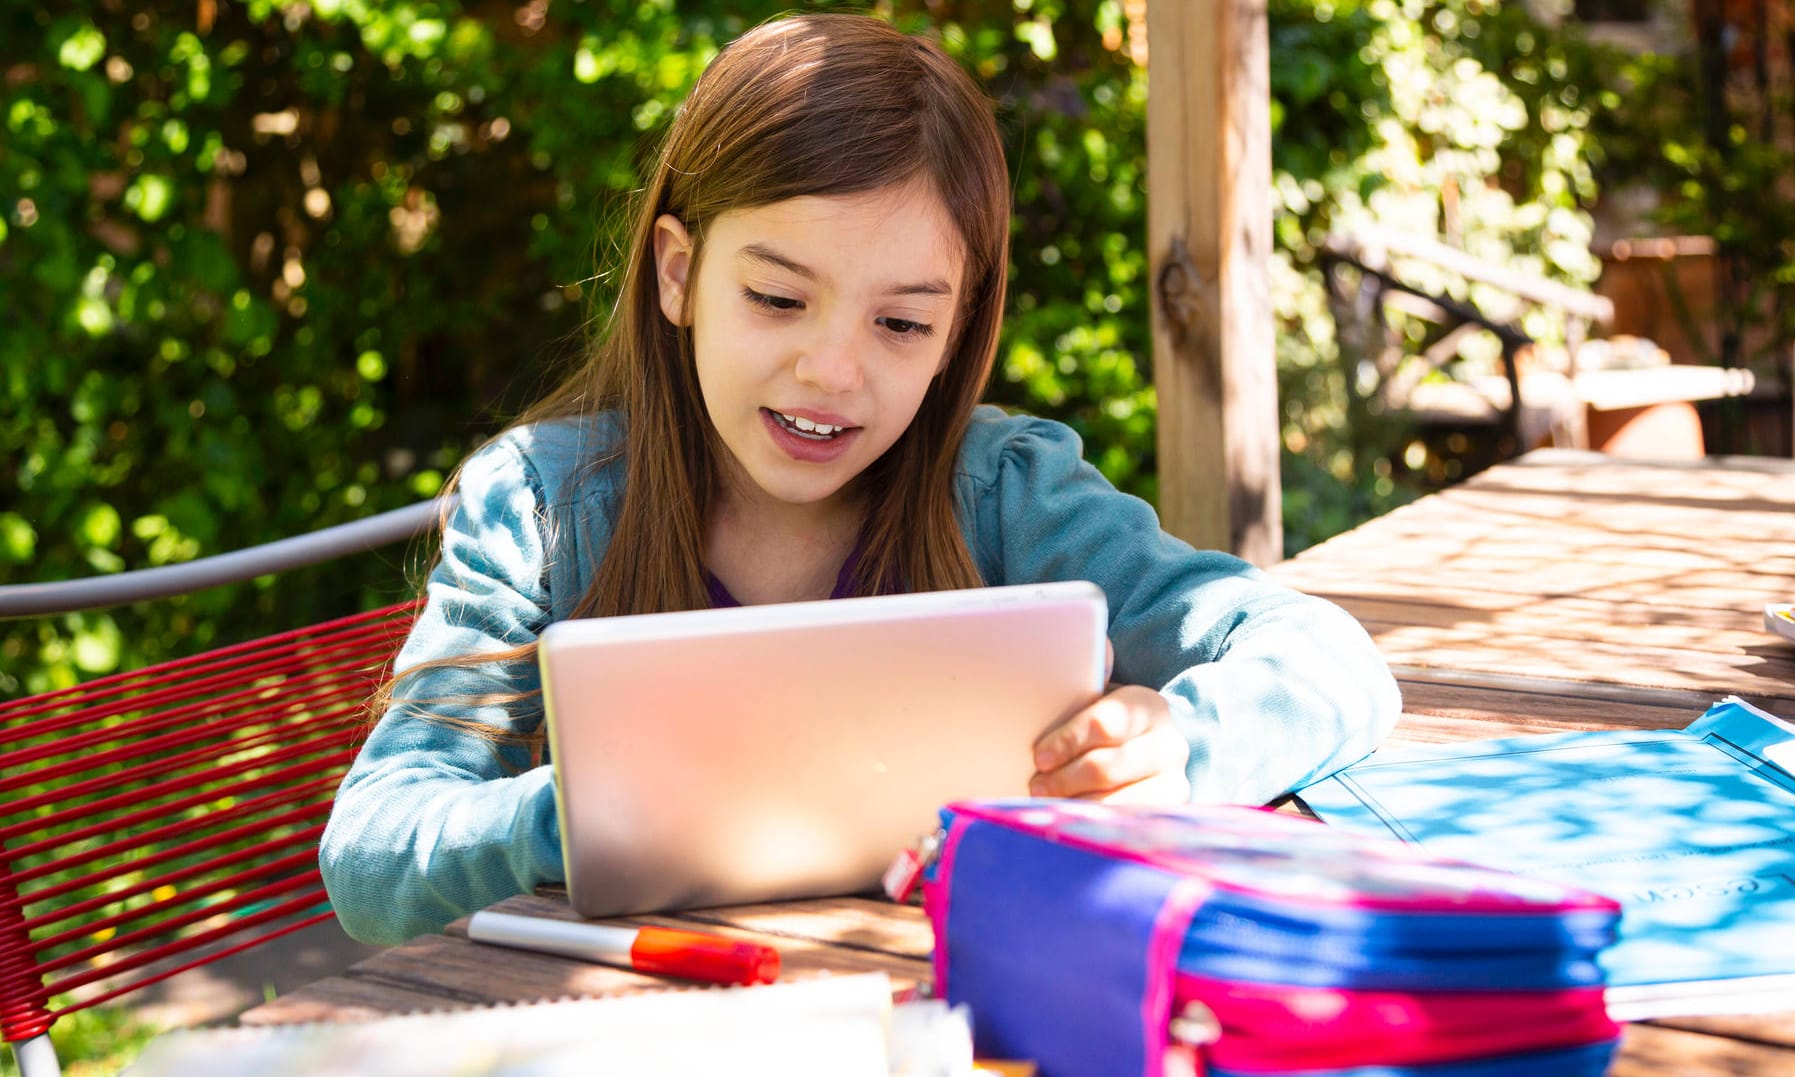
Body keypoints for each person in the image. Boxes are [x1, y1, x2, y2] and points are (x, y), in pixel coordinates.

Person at [319, 13, 1400, 947]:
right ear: (680, 274)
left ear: (956, 332)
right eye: (780, 301)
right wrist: (581, 812)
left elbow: (1334, 665)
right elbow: (370, 858)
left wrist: (1186, 746)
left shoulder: (1006, 490)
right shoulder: (542, 510)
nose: (832, 371)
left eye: (900, 323)